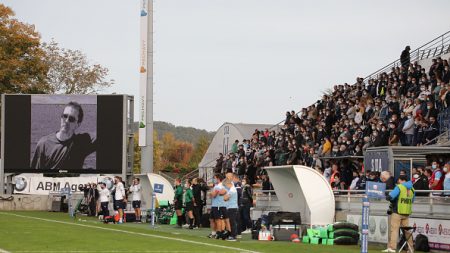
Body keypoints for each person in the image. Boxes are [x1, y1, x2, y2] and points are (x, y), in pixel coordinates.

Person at [31, 101, 96, 171]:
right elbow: (35, 174)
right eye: (64, 116)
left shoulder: (81, 142)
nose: (66, 121)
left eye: (71, 119)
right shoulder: (44, 144)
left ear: (78, 124)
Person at [383, 175, 415, 253]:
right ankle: (411, 249)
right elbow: (412, 200)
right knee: (407, 232)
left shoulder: (399, 187)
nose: (398, 182)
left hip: (397, 212)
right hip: (407, 212)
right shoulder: (412, 189)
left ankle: (392, 248)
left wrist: (386, 196)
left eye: (398, 180)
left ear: (401, 180)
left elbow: (391, 197)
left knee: (394, 230)